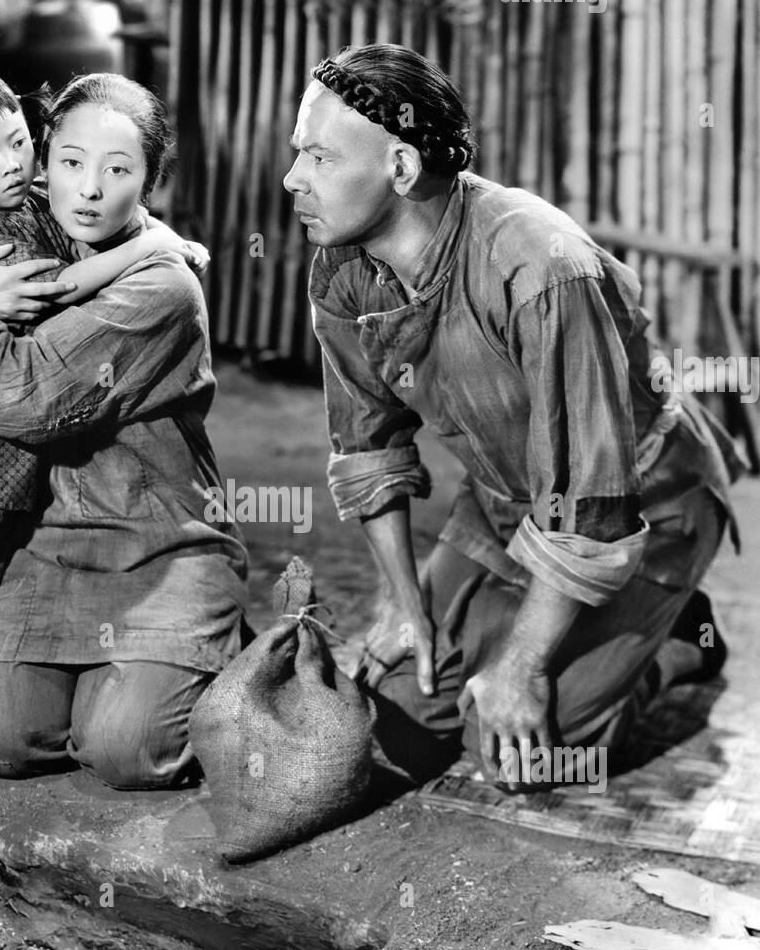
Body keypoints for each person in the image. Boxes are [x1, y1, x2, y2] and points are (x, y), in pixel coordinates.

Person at [284, 43, 742, 793]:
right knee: (399, 691)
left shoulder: (538, 267)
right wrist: (403, 606)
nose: (291, 178)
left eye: (318, 157)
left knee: (523, 750)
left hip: (643, 500)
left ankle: (681, 643)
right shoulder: (339, 268)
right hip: (506, 498)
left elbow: (592, 497)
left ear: (400, 168)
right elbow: (368, 449)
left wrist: (522, 667)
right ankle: (551, 628)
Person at [0, 72, 248, 788]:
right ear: (45, 159)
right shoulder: (34, 220)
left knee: (125, 751)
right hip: (48, 546)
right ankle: (115, 679)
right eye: (70, 162)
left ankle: (203, 657)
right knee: (0, 741)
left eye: (118, 170)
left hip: (158, 544)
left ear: (150, 179)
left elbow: (28, 395)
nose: (88, 189)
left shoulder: (161, 284)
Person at [0, 52, 207, 647]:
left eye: (18, 143)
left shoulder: (40, 198)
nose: (11, 166)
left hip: (23, 444)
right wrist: (155, 246)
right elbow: (56, 288)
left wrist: (156, 239)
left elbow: (112, 207)